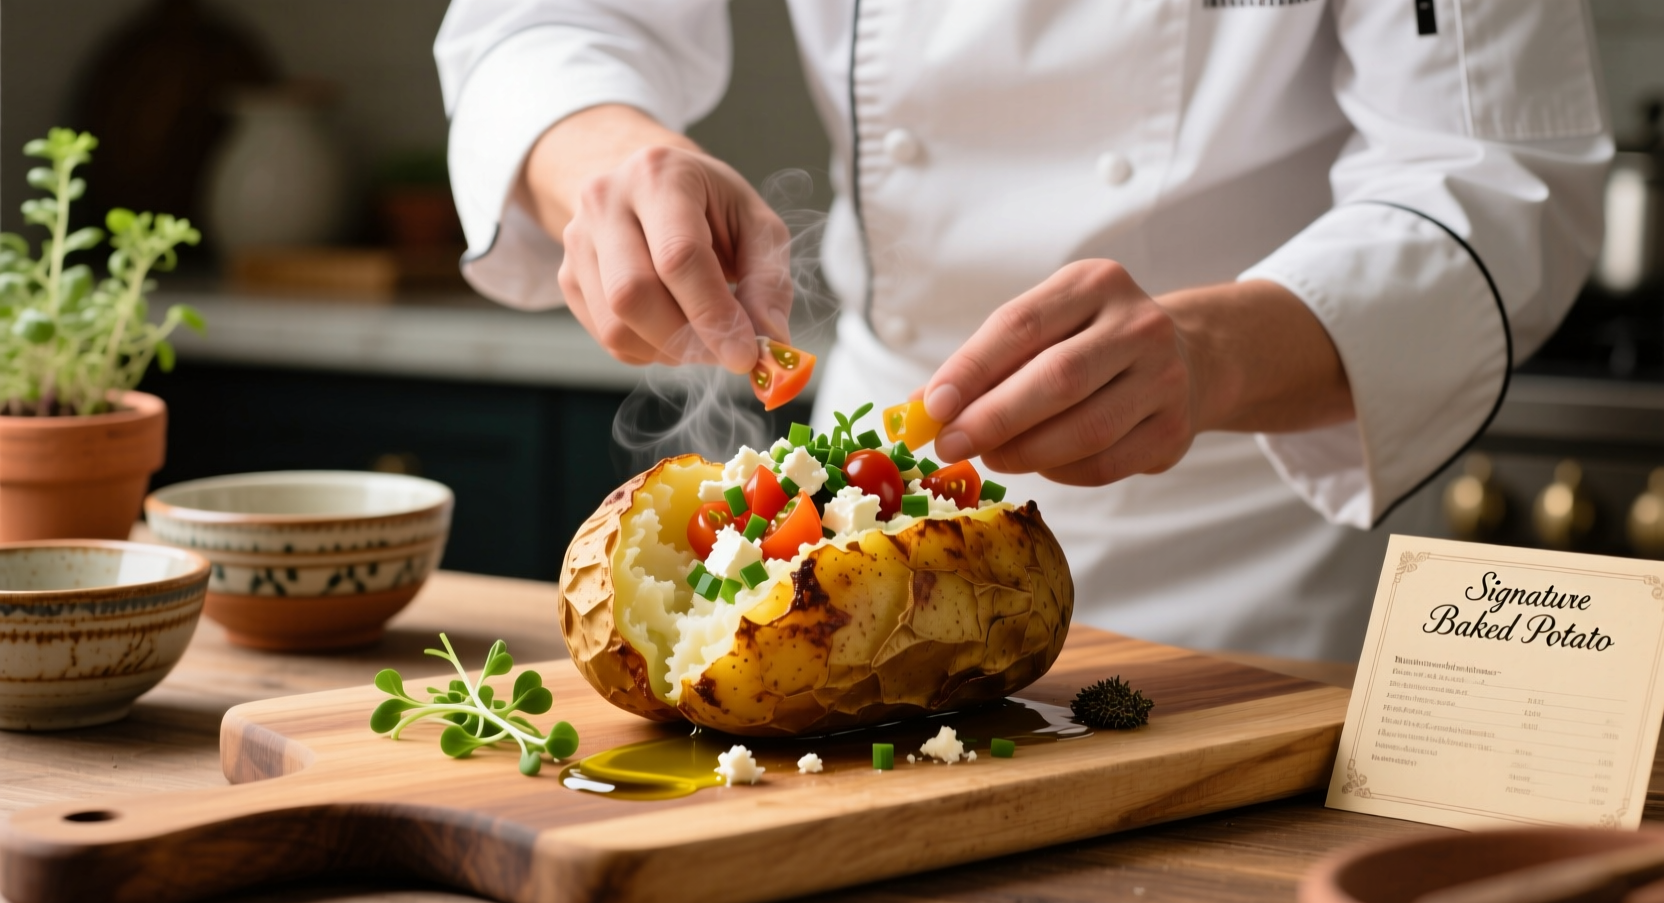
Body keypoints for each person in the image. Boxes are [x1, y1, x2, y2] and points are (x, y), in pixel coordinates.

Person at [434, 1, 1610, 661]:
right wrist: (601, 154)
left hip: (1248, 550)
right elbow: (543, 22)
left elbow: (1492, 176)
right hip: (855, 572)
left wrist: (1209, 354)